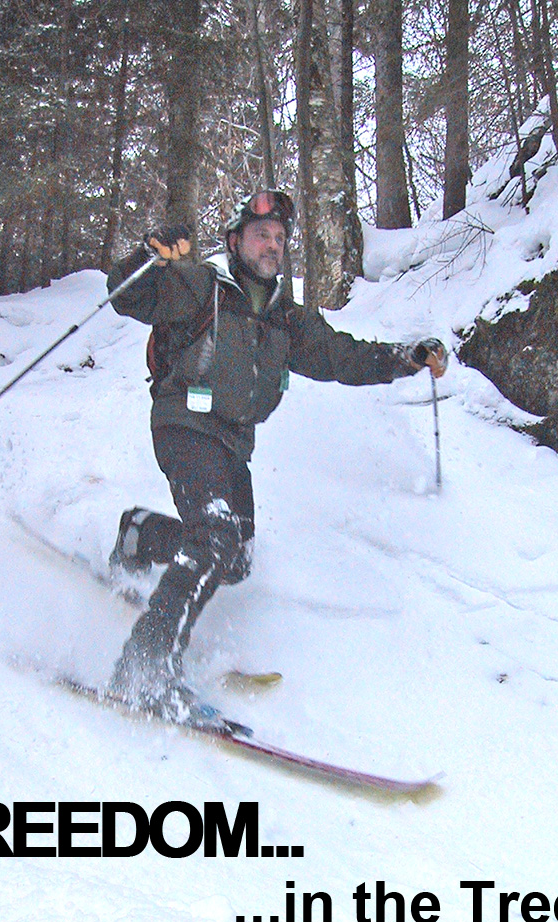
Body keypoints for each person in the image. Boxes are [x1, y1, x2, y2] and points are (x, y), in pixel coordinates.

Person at [105, 189, 447, 721]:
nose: (272, 245)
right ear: (237, 240)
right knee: (215, 538)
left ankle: (140, 535)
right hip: (184, 425)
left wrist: (403, 358)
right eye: (261, 235)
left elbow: (342, 356)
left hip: (231, 446)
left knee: (234, 559)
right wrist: (149, 255)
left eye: (280, 238)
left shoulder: (286, 318)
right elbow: (129, 295)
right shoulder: (202, 287)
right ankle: (144, 668)